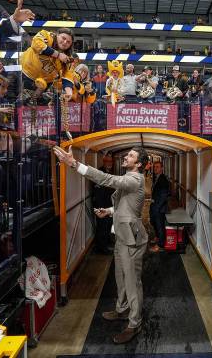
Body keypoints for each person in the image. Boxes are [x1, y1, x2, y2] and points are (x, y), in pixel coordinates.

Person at [53, 145, 149, 344]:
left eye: (130, 156)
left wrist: (74, 164)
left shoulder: (134, 178)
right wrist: (109, 211)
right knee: (120, 276)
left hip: (132, 238)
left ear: (138, 164)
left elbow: (107, 179)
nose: (126, 156)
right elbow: (127, 206)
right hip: (123, 236)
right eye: (127, 153)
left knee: (132, 282)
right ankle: (122, 310)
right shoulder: (130, 180)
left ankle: (134, 323)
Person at [19, 28, 75, 103]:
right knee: (21, 103)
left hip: (44, 85)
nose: (65, 42)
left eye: (68, 42)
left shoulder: (68, 57)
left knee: (34, 106)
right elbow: (36, 43)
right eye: (63, 38)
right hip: (25, 74)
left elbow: (68, 75)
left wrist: (69, 92)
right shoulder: (47, 35)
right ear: (57, 35)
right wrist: (58, 55)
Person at [92, 154, 115, 254]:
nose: (109, 163)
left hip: (109, 205)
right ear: (104, 162)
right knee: (102, 227)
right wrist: (101, 207)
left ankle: (106, 243)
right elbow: (99, 192)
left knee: (107, 226)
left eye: (111, 162)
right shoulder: (100, 172)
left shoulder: (110, 171)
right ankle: (102, 248)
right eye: (107, 161)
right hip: (102, 205)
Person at [149, 161, 169, 252]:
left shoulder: (163, 180)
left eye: (157, 167)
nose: (155, 169)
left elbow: (164, 196)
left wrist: (157, 207)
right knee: (153, 222)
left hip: (159, 207)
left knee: (160, 225)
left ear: (162, 168)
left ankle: (160, 245)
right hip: (154, 205)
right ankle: (157, 237)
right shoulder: (156, 177)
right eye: (154, 167)